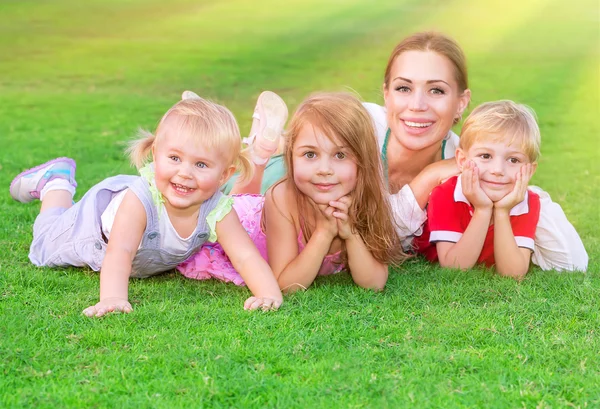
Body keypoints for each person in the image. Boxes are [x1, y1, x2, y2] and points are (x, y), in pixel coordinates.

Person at [225, 31, 588, 272]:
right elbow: (376, 226)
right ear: (385, 93)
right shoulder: (363, 123)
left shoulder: (475, 161)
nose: (417, 106)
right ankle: (258, 151)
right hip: (289, 175)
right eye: (403, 88)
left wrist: (526, 194)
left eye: (436, 91)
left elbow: (574, 261)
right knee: (236, 199)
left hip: (333, 227)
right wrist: (429, 177)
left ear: (461, 103)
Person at [9, 97, 283, 317]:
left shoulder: (217, 209)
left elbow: (246, 256)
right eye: (174, 158)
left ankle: (58, 184)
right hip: (93, 229)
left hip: (139, 247)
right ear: (156, 155)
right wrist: (113, 299)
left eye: (201, 165)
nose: (185, 172)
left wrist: (268, 293)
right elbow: (121, 251)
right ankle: (56, 183)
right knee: (46, 239)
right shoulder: (140, 200)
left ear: (225, 175)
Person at [178, 92, 407, 292]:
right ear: (290, 157)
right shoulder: (282, 198)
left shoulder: (366, 199)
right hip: (239, 227)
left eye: (340, 155)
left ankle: (250, 147)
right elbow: (286, 284)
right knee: (208, 200)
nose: (324, 170)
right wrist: (324, 233)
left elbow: (375, 283)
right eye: (310, 154)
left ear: (362, 161)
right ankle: (207, 127)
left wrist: (351, 234)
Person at [414, 100, 542, 279]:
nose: (498, 170)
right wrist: (482, 210)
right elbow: (455, 268)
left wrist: (502, 211)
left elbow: (513, 274)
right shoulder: (445, 194)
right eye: (485, 156)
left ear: (530, 170)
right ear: (462, 160)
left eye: (513, 160)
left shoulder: (528, 202)